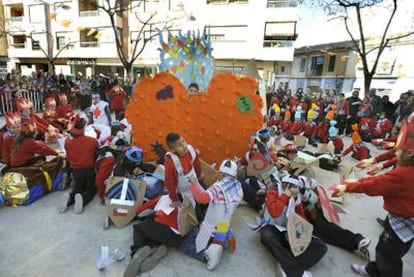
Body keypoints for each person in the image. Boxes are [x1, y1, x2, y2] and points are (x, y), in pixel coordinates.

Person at [329, 114, 414, 277]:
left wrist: (347, 187)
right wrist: (376, 162)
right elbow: (392, 157)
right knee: (394, 249)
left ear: (409, 153)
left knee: (387, 253)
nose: (395, 153)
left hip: (402, 218)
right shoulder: (408, 165)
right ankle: (373, 270)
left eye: (399, 151)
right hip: (404, 216)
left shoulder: (403, 175)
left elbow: (374, 185)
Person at [175, 159, 243, 271]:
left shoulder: (218, 187)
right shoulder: (239, 188)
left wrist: (194, 184)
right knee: (221, 225)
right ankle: (223, 241)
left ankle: (206, 256)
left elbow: (203, 198)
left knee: (182, 242)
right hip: (223, 227)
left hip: (210, 230)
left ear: (221, 173)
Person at [260, 175, 327, 277]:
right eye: (293, 187)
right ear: (286, 185)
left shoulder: (296, 199)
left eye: (297, 188)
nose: (296, 191)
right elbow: (274, 212)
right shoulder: (274, 191)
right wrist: (285, 195)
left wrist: (300, 232)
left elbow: (301, 218)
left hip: (289, 231)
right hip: (273, 229)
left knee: (321, 246)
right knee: (266, 236)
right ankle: (295, 271)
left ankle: (287, 267)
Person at [299, 176, 371, 261]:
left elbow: (319, 194)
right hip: (302, 219)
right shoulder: (286, 192)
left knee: (325, 225)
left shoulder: (304, 184)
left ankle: (356, 241)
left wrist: (316, 204)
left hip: (310, 212)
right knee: (322, 236)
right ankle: (354, 245)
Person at [59, 116, 99, 214]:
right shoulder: (93, 141)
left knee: (78, 188)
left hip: (76, 171)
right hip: (89, 170)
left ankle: (70, 198)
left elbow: (68, 159)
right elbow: (96, 154)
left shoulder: (68, 143)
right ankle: (83, 199)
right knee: (91, 189)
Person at [164, 132, 205, 211]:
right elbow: (170, 182)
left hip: (195, 182)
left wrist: (199, 173)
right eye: (179, 145)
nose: (184, 146)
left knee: (206, 202)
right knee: (194, 210)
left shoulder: (190, 150)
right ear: (172, 150)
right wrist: (174, 199)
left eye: (183, 141)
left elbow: (196, 162)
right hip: (184, 191)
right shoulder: (171, 162)